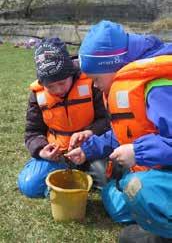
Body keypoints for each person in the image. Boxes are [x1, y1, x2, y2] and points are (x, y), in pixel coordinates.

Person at [66, 20, 172, 241]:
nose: (94, 86)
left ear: (113, 66)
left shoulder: (159, 87)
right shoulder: (131, 82)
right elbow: (129, 130)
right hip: (158, 167)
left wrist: (137, 152)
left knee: (137, 187)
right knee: (119, 206)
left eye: (96, 78)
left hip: (156, 171)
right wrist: (88, 149)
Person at [18, 37, 110, 198]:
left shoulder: (92, 84)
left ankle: (82, 177)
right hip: (58, 156)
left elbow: (108, 120)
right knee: (29, 185)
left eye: (62, 83)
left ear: (71, 74)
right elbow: (32, 132)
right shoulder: (37, 95)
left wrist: (90, 133)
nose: (57, 90)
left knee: (106, 179)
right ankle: (64, 177)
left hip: (90, 151)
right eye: (50, 86)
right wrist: (41, 150)